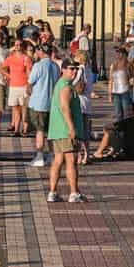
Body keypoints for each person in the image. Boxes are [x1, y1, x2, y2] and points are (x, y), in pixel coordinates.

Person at [47, 60, 87, 202]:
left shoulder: (62, 85)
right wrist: (71, 128)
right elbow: (65, 108)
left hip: (57, 130)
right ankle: (74, 193)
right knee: (71, 160)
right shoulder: (65, 87)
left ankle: (53, 192)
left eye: (76, 68)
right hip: (65, 131)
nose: (74, 71)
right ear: (63, 69)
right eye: (71, 69)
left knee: (58, 160)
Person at [27, 43, 61, 167]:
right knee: (51, 132)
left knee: (40, 131)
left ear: (41, 51)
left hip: (39, 103)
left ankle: (40, 156)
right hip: (52, 103)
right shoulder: (55, 66)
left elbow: (30, 83)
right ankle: (52, 156)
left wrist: (28, 92)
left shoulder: (38, 66)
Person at [1, 40, 33, 136]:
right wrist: (9, 76)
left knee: (24, 109)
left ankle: (25, 129)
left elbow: (29, 72)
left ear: (22, 47)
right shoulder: (10, 58)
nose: (17, 46)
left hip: (23, 85)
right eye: (16, 45)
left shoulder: (26, 58)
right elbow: (1, 68)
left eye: (19, 45)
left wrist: (28, 84)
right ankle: (16, 130)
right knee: (15, 109)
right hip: (13, 86)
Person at [109, 48, 133, 124]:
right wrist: (109, 94)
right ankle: (119, 131)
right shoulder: (113, 65)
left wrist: (131, 87)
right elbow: (111, 80)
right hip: (116, 92)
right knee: (118, 113)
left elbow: (132, 79)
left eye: (120, 53)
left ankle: (126, 131)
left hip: (125, 92)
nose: (118, 55)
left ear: (125, 55)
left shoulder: (128, 65)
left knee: (126, 113)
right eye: (117, 53)